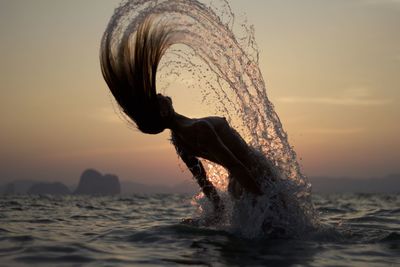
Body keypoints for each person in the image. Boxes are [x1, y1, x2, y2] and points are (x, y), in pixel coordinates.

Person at [100, 16, 262, 214]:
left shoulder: (179, 141)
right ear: (163, 111)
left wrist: (218, 213)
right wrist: (265, 201)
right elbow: (236, 165)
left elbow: (205, 183)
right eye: (156, 98)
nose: (159, 94)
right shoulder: (199, 129)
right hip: (257, 176)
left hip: (238, 185)